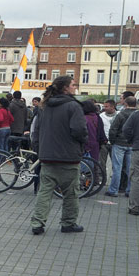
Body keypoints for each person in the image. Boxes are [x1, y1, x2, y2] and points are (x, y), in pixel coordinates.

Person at [30, 76, 87, 234]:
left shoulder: (44, 106)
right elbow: (79, 130)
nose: (75, 88)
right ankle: (68, 223)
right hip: (68, 156)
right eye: (73, 85)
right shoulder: (73, 106)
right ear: (66, 88)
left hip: (47, 156)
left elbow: (37, 130)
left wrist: (40, 149)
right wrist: (83, 143)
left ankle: (37, 223)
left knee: (45, 192)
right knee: (71, 193)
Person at [107, 96, 136, 197]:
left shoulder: (121, 114)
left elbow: (113, 129)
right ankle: (129, 190)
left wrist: (112, 141)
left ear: (126, 104)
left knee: (117, 168)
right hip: (132, 144)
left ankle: (113, 190)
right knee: (130, 169)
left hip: (119, 143)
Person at [99, 99, 118, 169]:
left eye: (106, 106)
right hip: (104, 143)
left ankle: (115, 178)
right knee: (101, 163)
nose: (104, 108)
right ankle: (102, 179)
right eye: (104, 106)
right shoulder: (101, 116)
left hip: (115, 143)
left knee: (116, 163)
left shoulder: (119, 115)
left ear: (112, 107)